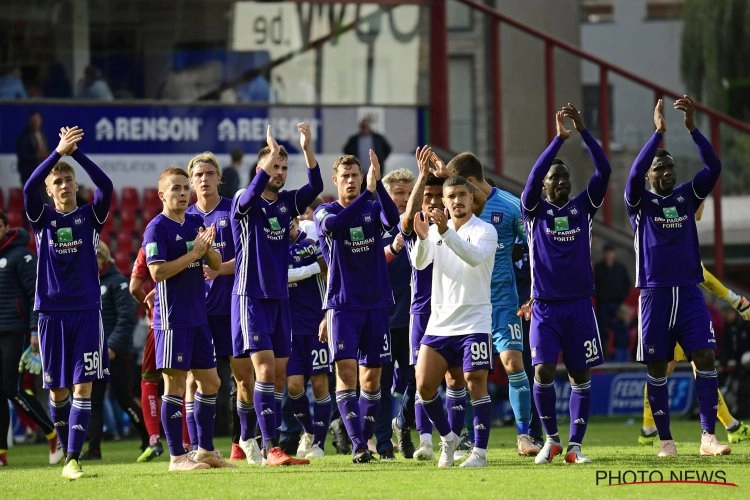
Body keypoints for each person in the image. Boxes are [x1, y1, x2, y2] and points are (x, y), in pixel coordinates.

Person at [625, 96, 730, 458]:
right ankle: (665, 440)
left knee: (705, 356)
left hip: (688, 292)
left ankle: (707, 437)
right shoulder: (639, 203)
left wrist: (693, 129)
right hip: (653, 294)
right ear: (651, 177)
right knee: (658, 367)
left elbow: (714, 166)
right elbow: (634, 174)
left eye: (671, 168)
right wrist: (658, 135)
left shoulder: (687, 197)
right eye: (661, 169)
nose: (667, 173)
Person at [23, 126, 114, 480]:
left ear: (76, 186)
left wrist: (76, 156)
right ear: (50, 191)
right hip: (51, 314)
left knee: (83, 386)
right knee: (58, 390)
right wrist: (56, 153)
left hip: (87, 312)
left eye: (67, 181)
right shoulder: (42, 219)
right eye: (56, 182)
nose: (62, 185)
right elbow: (28, 188)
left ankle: (73, 456)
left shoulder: (90, 219)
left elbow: (106, 187)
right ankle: (67, 455)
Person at [522, 105, 610, 465]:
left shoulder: (583, 207)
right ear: (544, 186)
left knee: (579, 374)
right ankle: (552, 440)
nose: (559, 181)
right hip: (544, 307)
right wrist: (558, 140)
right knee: (542, 371)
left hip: (579, 306)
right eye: (553, 178)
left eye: (564, 177)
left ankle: (575, 446)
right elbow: (531, 179)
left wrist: (585, 131)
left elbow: (604, 170)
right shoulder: (533, 211)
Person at [231, 123, 322, 466]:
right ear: (261, 169)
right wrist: (269, 153)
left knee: (280, 376)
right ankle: (269, 447)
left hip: (279, 298)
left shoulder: (286, 204)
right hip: (250, 298)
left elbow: (316, 185)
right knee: (265, 372)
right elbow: (249, 195)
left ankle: (258, 440)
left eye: (284, 168)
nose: (281, 172)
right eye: (274, 167)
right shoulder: (245, 200)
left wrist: (306, 147)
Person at [142, 166, 233, 471]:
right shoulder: (156, 228)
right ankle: (177, 457)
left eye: (184, 188)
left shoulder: (196, 222)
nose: (182, 193)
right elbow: (157, 272)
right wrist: (193, 255)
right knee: (175, 386)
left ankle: (205, 450)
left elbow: (217, 263)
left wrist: (207, 251)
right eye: (175, 188)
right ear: (162, 194)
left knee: (211, 381)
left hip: (198, 316)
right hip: (172, 320)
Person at [447, 151, 538, 457]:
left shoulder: (511, 206)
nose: (457, 197)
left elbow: (534, 250)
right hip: (468, 304)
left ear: (472, 183)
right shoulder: (455, 209)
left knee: (513, 364)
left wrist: (533, 291)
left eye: (462, 189)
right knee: (470, 375)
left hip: (502, 301)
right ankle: (467, 437)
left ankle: (525, 435)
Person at [313, 149, 400, 463]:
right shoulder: (323, 212)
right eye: (345, 176)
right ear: (335, 180)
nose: (351, 181)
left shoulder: (372, 205)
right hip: (343, 306)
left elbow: (393, 221)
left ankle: (361, 439)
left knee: (372, 379)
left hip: (376, 304)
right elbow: (335, 226)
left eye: (356, 176)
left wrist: (377, 191)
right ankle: (359, 446)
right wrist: (368, 194)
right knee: (347, 374)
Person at [412, 175, 497, 468]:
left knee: (475, 382)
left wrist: (445, 231)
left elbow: (473, 258)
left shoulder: (485, 230)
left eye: (462, 194)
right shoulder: (437, 232)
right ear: (444, 202)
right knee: (424, 387)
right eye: (451, 197)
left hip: (474, 322)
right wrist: (424, 237)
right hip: (440, 324)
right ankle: (449, 437)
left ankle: (480, 453)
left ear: (472, 198)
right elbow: (420, 262)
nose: (457, 201)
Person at [186, 152, 240, 449]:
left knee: (242, 377)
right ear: (191, 181)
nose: (204, 179)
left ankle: (240, 442)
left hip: (231, 307)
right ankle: (198, 447)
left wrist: (219, 269)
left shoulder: (232, 211)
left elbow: (247, 257)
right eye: (198, 175)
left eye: (209, 173)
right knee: (195, 381)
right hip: (197, 311)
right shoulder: (186, 217)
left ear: (219, 177)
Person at [0, 210, 63, 467]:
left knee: (12, 389)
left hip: (16, 332)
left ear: (5, 226)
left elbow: (34, 295)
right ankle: (1, 454)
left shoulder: (22, 255)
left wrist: (35, 330)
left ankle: (52, 434)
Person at [82, 241, 149, 460]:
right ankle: (93, 449)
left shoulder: (118, 283)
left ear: (103, 258)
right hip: (95, 352)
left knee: (124, 399)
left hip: (117, 353)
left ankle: (149, 439)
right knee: (94, 400)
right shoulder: (89, 284)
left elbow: (126, 318)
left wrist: (112, 346)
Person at [376, 168, 415, 460]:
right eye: (399, 193)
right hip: (384, 318)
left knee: (417, 379)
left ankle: (402, 422)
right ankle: (384, 444)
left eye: (408, 192)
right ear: (387, 196)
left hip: (416, 318)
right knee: (381, 381)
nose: (404, 199)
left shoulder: (420, 224)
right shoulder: (375, 224)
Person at [285, 216, 331, 459]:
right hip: (289, 328)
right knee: (293, 386)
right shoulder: (273, 246)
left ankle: (320, 444)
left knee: (320, 383)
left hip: (315, 325)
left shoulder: (311, 243)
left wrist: (326, 317)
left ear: (296, 222)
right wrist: (314, 268)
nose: (287, 230)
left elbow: (328, 266)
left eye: (290, 225)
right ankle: (309, 432)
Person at [128, 246, 165, 462]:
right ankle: (190, 443)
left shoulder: (148, 245)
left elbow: (134, 287)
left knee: (149, 381)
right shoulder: (192, 236)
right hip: (192, 318)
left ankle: (154, 440)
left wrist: (152, 308)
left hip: (159, 324)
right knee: (188, 381)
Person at [593, 243, 631, 361]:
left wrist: (621, 295)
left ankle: (622, 357)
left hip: (618, 304)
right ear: (604, 254)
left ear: (614, 254)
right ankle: (603, 355)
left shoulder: (621, 268)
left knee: (621, 329)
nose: (609, 255)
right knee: (601, 329)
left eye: (611, 252)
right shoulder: (598, 268)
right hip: (603, 304)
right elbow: (592, 285)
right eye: (607, 253)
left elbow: (628, 284)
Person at [16, 111, 49, 188]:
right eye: (33, 121)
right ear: (29, 122)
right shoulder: (24, 137)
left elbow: (45, 150)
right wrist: (36, 156)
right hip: (29, 174)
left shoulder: (42, 134)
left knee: (45, 197)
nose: (36, 123)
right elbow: (23, 156)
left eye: (37, 120)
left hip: (43, 173)